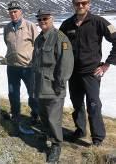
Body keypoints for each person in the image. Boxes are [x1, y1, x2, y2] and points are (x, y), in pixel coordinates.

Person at [60, 0, 116, 146]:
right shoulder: (66, 24)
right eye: (77, 3)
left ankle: (97, 138)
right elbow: (58, 46)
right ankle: (80, 130)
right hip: (73, 73)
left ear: (89, 4)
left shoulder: (99, 22)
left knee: (93, 104)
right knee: (77, 103)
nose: (80, 6)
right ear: (73, 5)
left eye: (84, 3)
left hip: (91, 72)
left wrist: (106, 64)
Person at [32, 9, 74, 162]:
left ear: (52, 19)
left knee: (53, 118)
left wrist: (60, 84)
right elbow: (36, 62)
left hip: (53, 86)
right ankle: (46, 135)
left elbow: (66, 64)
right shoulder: (38, 39)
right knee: (44, 115)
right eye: (40, 19)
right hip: (40, 86)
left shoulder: (60, 38)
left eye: (45, 18)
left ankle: (56, 145)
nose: (43, 21)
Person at [4, 0, 39, 127]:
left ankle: (35, 115)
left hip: (28, 67)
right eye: (11, 12)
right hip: (12, 67)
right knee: (13, 93)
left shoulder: (30, 26)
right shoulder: (7, 28)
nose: (13, 14)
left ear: (20, 12)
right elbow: (7, 43)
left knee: (33, 93)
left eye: (15, 11)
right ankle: (15, 114)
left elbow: (37, 44)